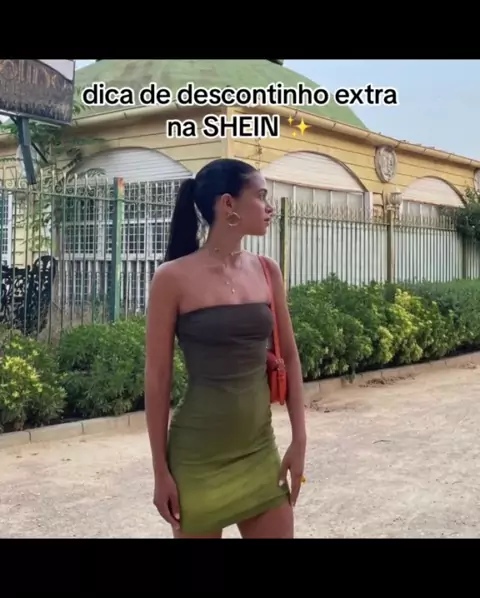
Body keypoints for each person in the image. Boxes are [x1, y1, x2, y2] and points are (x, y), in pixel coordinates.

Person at [145, 158, 307, 539]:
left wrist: (299, 439)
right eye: (261, 196)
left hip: (259, 452)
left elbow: (290, 356)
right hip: (196, 462)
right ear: (228, 204)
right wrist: (160, 471)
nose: (269, 207)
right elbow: (158, 377)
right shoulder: (171, 278)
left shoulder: (267, 270)